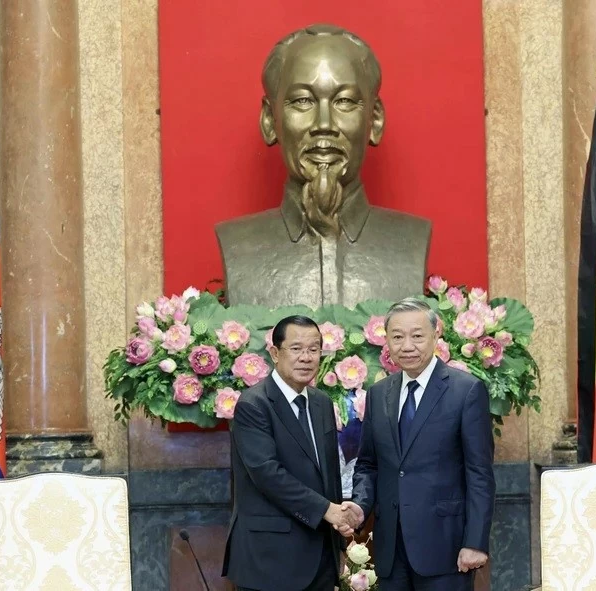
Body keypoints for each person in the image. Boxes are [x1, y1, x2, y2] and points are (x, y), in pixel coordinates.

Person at [215, 23, 430, 309]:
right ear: (270, 120)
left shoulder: (411, 240)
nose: (324, 125)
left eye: (345, 101)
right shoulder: (238, 244)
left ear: (375, 120)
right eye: (303, 101)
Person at [344, 298, 496, 591]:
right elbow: (368, 464)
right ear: (386, 340)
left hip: (446, 548)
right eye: (397, 337)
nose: (407, 345)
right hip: (390, 548)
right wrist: (361, 506)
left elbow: (479, 473)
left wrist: (476, 542)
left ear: (436, 333)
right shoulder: (379, 394)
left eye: (417, 335)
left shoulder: (465, 390)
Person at [222, 315, 357, 591]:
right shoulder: (254, 404)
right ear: (274, 353)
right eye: (296, 349)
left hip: (320, 557)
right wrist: (327, 511)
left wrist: (339, 539)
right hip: (270, 559)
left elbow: (327, 474)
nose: (306, 358)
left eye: (313, 349)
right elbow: (267, 474)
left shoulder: (321, 403)